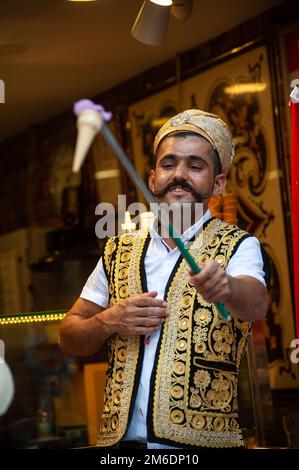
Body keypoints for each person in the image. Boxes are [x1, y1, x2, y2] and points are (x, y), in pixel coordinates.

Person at [60, 109, 269, 449]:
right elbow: (68, 337)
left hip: (202, 446)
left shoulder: (239, 246)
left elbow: (257, 304)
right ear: (153, 177)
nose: (179, 175)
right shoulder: (117, 250)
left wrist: (227, 287)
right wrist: (107, 321)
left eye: (195, 166)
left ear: (218, 183)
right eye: (169, 164)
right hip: (120, 447)